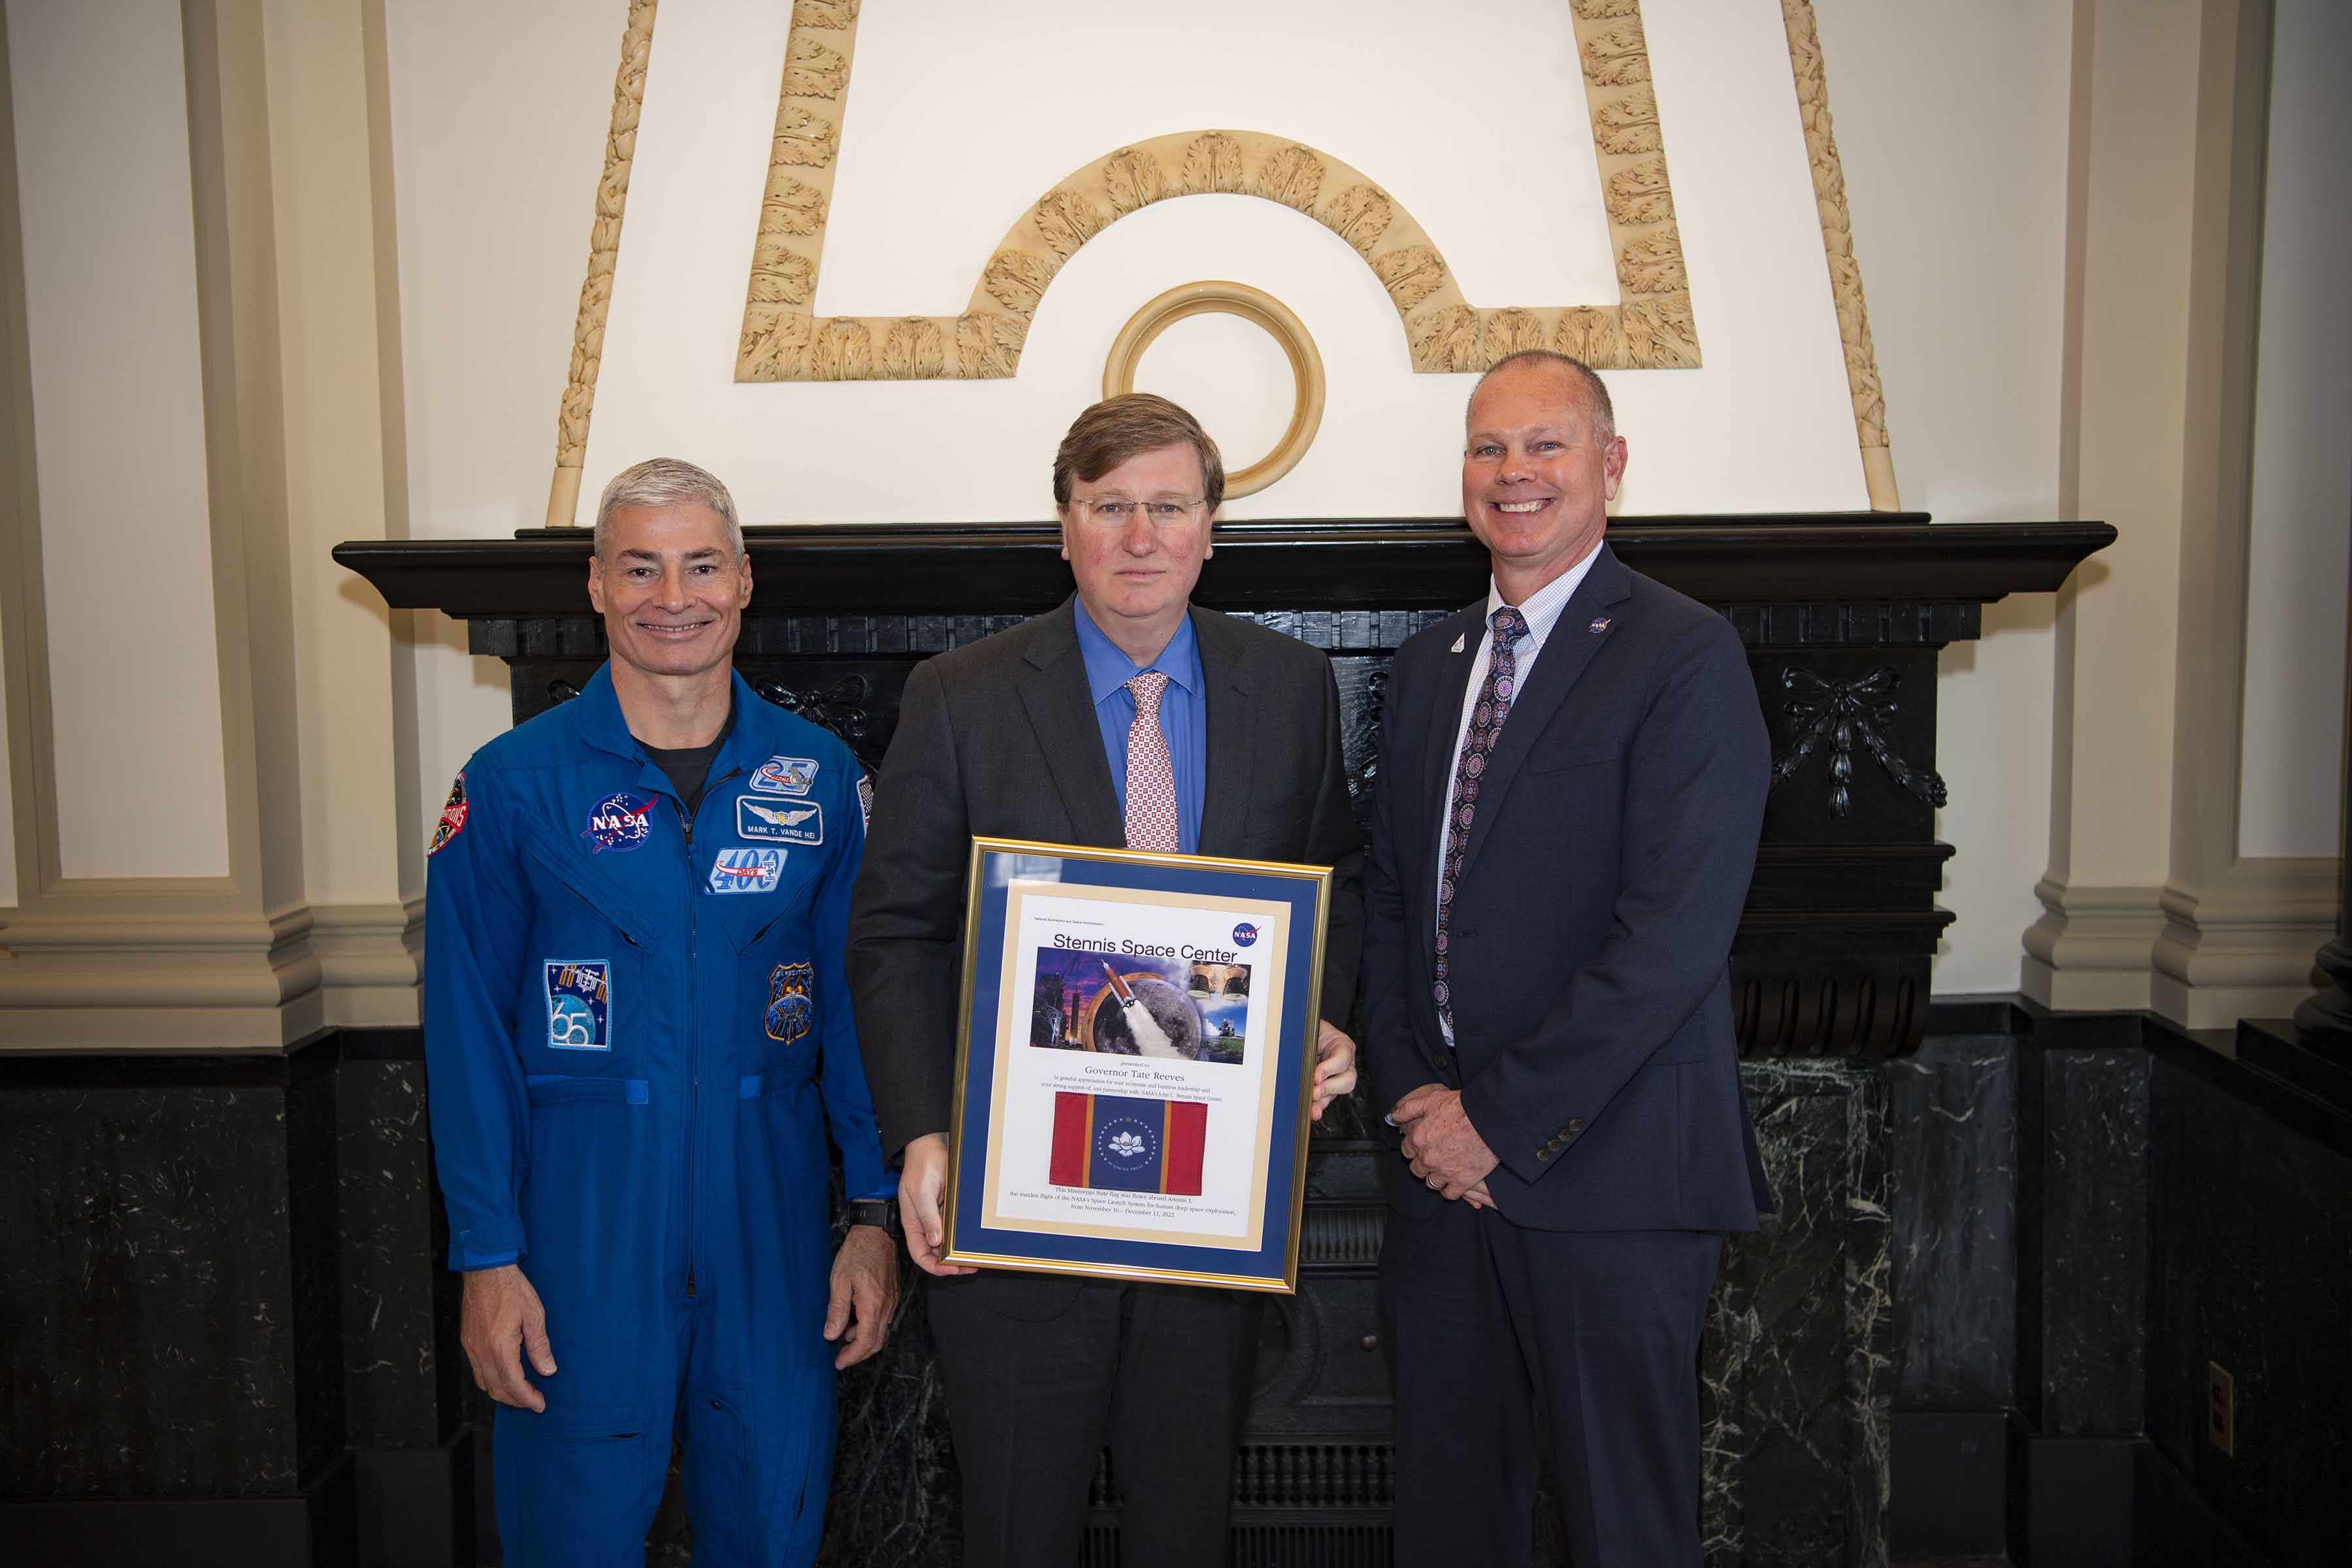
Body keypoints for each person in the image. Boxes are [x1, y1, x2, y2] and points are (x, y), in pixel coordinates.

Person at [847, 394, 1365, 1568]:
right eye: (1110, 507)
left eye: (1168, 507)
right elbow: (896, 934)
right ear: (1066, 527)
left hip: (1210, 1206)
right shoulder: (963, 695)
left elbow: (1339, 877)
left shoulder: (1288, 687)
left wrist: (1322, 1016)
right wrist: (925, 1133)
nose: (1141, 536)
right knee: (1018, 1528)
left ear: (1211, 529)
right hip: (1016, 1211)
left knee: (1186, 1529)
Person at [423, 458, 899, 1568]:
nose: (670, 597)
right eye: (640, 568)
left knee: (772, 1528)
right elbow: (467, 1036)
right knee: (571, 1537)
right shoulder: (509, 784)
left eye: (698, 566)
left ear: (743, 582)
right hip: (578, 1236)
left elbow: (858, 1012)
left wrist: (872, 1220)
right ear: (596, 585)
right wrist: (486, 1255)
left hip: (773, 1232)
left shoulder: (818, 778)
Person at [1360, 351, 1774, 1566]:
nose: (1515, 473)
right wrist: (1414, 1106)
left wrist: (1495, 1118)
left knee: (1622, 1530)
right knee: (1449, 1522)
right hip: (1440, 1185)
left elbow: (1673, 939)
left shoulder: (1683, 655)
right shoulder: (1432, 664)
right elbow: (1394, 904)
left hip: (1612, 1182)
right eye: (1489, 448)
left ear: (1611, 464)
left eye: (1545, 444)